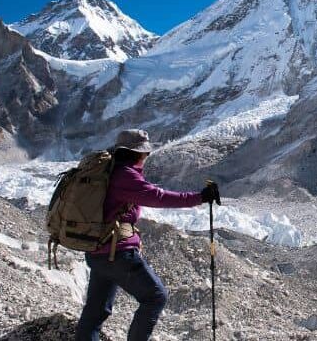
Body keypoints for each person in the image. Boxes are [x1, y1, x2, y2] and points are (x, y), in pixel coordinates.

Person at [75, 129, 220, 341]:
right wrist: (199, 197)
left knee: (96, 311)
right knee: (155, 296)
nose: (146, 157)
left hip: (97, 251)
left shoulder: (109, 171)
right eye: (145, 153)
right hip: (117, 253)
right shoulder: (125, 175)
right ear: (137, 154)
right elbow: (158, 197)